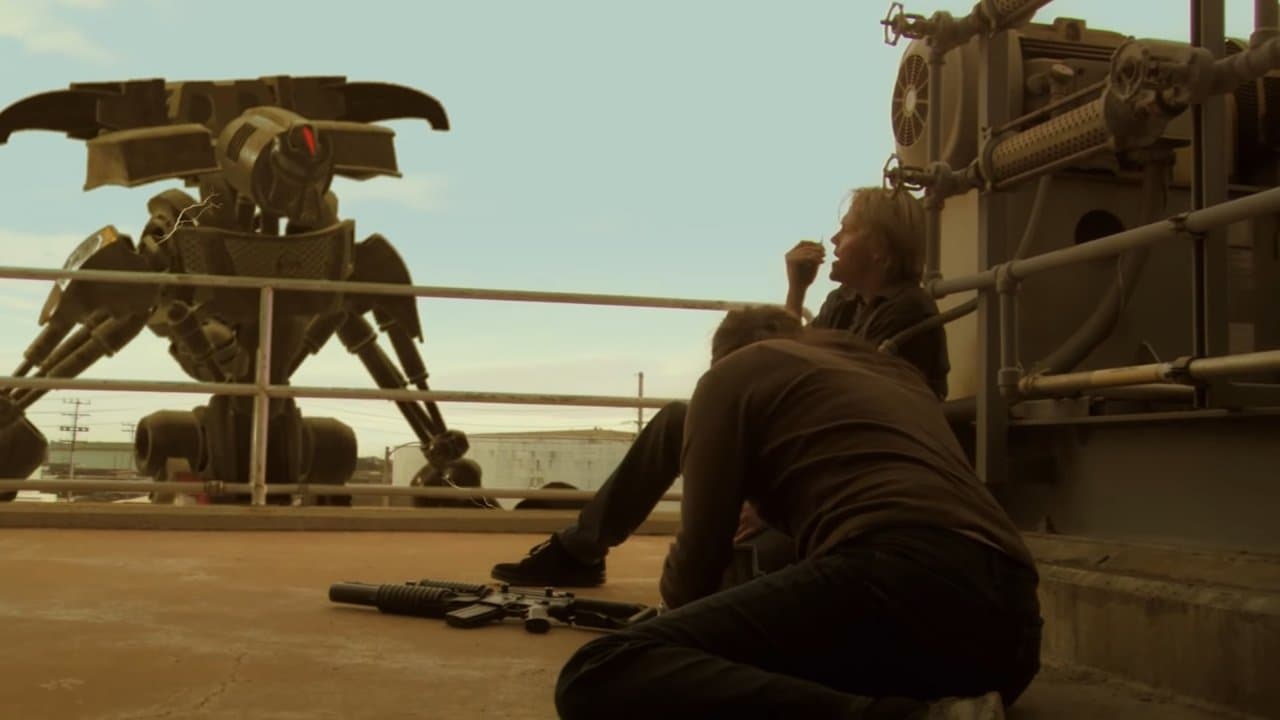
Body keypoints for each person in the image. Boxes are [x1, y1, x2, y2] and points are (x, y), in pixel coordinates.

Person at [554, 307, 1042, 719]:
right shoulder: (891, 375)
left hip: (903, 578)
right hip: (1011, 639)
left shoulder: (731, 375)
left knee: (601, 670)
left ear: (723, 355)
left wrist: (681, 625)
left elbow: (695, 569)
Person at [491, 187, 949, 588]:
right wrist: (796, 291)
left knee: (742, 575)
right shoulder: (843, 303)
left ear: (879, 250)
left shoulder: (907, 314)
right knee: (678, 420)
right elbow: (787, 362)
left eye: (846, 230)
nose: (833, 240)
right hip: (802, 456)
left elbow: (857, 429)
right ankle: (580, 550)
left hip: (837, 483)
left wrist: (766, 504)